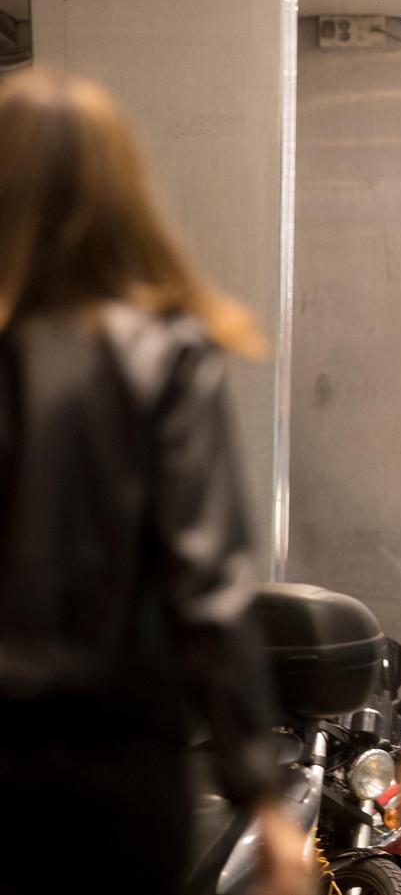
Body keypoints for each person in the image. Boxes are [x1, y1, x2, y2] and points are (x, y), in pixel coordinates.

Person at [0, 71, 309, 895]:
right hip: (115, 767)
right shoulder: (164, 355)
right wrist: (262, 793)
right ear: (120, 192)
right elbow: (207, 587)